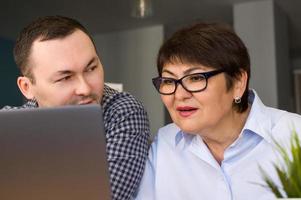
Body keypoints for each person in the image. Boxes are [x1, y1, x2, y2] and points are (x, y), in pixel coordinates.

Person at [135, 22, 301, 200]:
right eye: (168, 81)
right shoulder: (164, 144)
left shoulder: (294, 134)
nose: (179, 94)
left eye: (196, 78)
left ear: (238, 83)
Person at [2, 15, 150, 200]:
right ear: (27, 87)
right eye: (65, 77)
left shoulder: (123, 111)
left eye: (91, 68)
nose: (85, 88)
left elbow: (104, 196)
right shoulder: (7, 125)